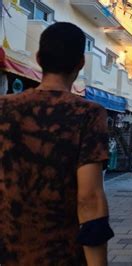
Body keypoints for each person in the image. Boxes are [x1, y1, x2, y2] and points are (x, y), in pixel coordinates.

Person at [0, 22, 113, 265]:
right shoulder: (88, 114)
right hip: (62, 255)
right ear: (80, 63)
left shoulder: (4, 108)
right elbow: (89, 198)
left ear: (39, 58)